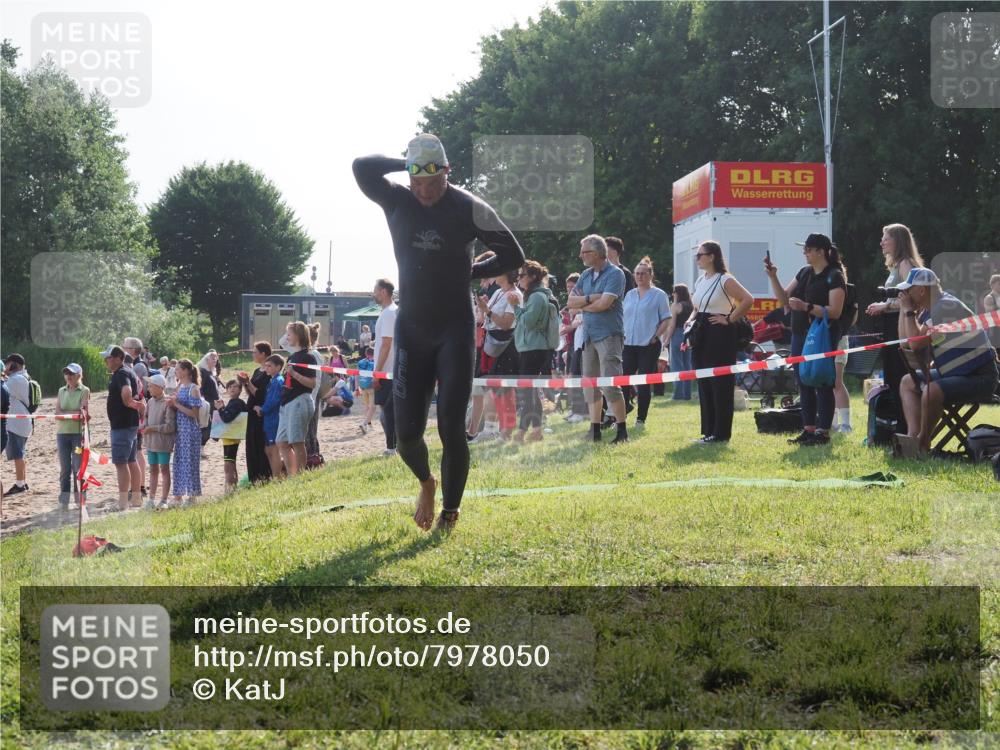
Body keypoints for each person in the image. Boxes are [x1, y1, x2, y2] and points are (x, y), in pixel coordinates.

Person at [354, 132, 524, 532]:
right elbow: (362, 167)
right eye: (417, 182)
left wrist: (471, 271)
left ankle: (450, 511)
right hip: (413, 330)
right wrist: (409, 162)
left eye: (432, 182)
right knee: (407, 435)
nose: (424, 191)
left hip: (454, 330)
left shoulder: (468, 207)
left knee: (451, 426)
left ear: (448, 172)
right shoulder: (397, 200)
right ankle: (427, 482)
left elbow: (513, 254)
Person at [895, 268, 999, 454]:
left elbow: (915, 344)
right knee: (907, 382)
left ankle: (922, 444)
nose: (906, 294)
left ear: (922, 290)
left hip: (980, 377)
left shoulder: (944, 307)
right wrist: (905, 311)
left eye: (909, 290)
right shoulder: (930, 310)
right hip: (957, 373)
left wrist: (908, 311)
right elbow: (906, 342)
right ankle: (912, 438)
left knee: (931, 391)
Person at [766, 233, 847, 446]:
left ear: (821, 251)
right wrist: (773, 276)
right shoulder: (804, 272)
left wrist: (806, 307)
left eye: (808, 249)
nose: (805, 253)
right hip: (800, 333)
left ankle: (823, 432)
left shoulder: (834, 276)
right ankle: (808, 429)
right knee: (803, 381)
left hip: (823, 335)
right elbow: (784, 299)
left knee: (821, 379)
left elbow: (835, 311)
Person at [689, 241, 754, 444]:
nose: (697, 258)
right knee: (704, 382)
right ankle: (708, 431)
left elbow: (747, 299)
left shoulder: (725, 279)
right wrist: (690, 321)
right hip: (701, 334)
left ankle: (721, 433)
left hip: (719, 335)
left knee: (720, 385)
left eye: (700, 255)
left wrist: (729, 319)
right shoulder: (701, 280)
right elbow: (696, 307)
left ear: (712, 257)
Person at [566, 234, 629, 444]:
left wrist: (584, 305)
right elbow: (571, 302)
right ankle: (595, 430)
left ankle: (622, 431)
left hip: (609, 335)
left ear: (597, 253)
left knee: (610, 385)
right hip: (589, 336)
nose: (581, 256)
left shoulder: (616, 274)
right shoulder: (585, 274)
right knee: (590, 386)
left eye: (585, 252)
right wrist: (591, 298)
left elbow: (605, 304)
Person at [865, 223, 924, 401]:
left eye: (885, 239)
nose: (881, 243)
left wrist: (885, 306)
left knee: (899, 369)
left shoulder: (906, 264)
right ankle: (894, 410)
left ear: (898, 241)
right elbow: (897, 297)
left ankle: (902, 411)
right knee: (891, 370)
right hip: (891, 324)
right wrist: (884, 304)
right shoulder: (895, 266)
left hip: (902, 324)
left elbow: (913, 298)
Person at [511, 260, 558, 442]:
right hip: (531, 348)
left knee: (527, 393)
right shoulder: (533, 295)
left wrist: (515, 307)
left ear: (532, 277)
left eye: (521, 275)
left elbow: (528, 322)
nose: (519, 279)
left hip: (534, 350)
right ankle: (536, 431)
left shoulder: (537, 297)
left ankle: (523, 432)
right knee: (530, 392)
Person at [622, 257, 671, 427]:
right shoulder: (629, 294)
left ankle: (641, 419)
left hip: (648, 345)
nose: (639, 276)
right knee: (623, 381)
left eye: (643, 273)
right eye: (637, 273)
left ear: (650, 275)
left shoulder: (659, 295)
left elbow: (666, 319)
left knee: (643, 383)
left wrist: (656, 336)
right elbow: (623, 317)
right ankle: (621, 416)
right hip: (628, 344)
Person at [475, 269, 521, 441]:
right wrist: (483, 307)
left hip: (506, 345)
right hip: (493, 344)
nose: (494, 275)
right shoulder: (498, 293)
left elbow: (506, 324)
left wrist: (487, 310)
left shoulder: (515, 294)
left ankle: (506, 432)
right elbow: (487, 319)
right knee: (494, 389)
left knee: (505, 390)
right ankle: (494, 430)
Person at [101, 345, 145, 510]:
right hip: (129, 424)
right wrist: (137, 405)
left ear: (118, 358)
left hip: (122, 425)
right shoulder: (128, 371)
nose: (106, 361)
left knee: (121, 463)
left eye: (108, 358)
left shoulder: (121, 374)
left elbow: (126, 392)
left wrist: (132, 403)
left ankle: (123, 502)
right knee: (131, 461)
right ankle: (136, 499)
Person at [275, 321, 316, 477]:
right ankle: (292, 475)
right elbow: (282, 342)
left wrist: (295, 374)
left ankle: (300, 476)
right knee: (282, 441)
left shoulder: (308, 357)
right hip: (287, 402)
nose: (287, 337)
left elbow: (312, 383)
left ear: (298, 335)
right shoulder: (293, 356)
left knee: (297, 442)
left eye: (289, 334)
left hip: (299, 401)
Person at [166, 359, 202, 507]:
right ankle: (178, 496)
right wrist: (172, 404)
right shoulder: (180, 386)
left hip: (190, 430)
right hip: (180, 429)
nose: (176, 371)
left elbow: (194, 414)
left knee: (191, 462)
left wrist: (176, 404)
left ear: (186, 371)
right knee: (179, 462)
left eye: (178, 369)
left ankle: (192, 496)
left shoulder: (193, 389)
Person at [55, 363, 90, 510]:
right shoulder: (61, 390)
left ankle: (80, 500)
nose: (68, 376)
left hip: (78, 434)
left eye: (71, 373)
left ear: (79, 376)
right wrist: (71, 414)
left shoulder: (84, 390)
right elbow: (57, 413)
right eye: (66, 373)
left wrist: (66, 414)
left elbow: (82, 412)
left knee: (78, 468)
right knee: (65, 469)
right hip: (62, 434)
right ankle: (64, 501)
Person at [371, 278, 398, 455]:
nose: (373, 294)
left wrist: (377, 372)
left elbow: (386, 344)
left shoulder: (389, 313)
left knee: (388, 413)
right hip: (389, 370)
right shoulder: (391, 312)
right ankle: (395, 446)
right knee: (387, 413)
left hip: (387, 371)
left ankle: (392, 448)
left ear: (383, 291)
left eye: (375, 290)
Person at [240, 341, 273, 484]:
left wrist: (249, 383)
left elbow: (260, 394)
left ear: (263, 354)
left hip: (261, 412)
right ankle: (254, 478)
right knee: (251, 444)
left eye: (255, 352)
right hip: (251, 411)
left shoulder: (268, 372)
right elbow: (251, 392)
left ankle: (264, 476)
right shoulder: (257, 371)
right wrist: (245, 383)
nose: (253, 354)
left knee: (260, 444)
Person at [142, 373, 176, 509]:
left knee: (164, 469)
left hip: (163, 443)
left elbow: (170, 427)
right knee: (153, 470)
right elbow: (146, 417)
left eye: (151, 386)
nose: (148, 388)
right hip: (151, 443)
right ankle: (151, 500)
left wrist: (152, 428)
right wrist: (144, 426)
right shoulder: (150, 401)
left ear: (160, 387)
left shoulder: (167, 402)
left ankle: (164, 500)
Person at [2, 354, 33, 498]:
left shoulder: (16, 380)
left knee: (18, 454)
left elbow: (2, 387)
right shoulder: (22, 378)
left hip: (17, 423)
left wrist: (4, 373)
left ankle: (20, 484)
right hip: (21, 421)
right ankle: (22, 482)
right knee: (19, 453)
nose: (6, 367)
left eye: (8, 364)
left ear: (14, 365)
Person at [216, 379, 248, 492]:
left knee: (228, 464)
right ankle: (233, 487)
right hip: (231, 437)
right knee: (231, 462)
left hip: (231, 437)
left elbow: (227, 418)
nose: (232, 389)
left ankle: (230, 489)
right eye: (229, 387)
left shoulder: (236, 403)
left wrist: (220, 409)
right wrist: (224, 408)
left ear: (240, 390)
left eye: (235, 387)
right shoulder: (235, 402)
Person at [258, 354, 286, 479]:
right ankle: (276, 476)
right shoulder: (273, 380)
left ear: (278, 367)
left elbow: (273, 400)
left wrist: (261, 410)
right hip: (269, 419)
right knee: (268, 450)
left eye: (269, 366)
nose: (266, 368)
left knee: (274, 450)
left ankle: (277, 477)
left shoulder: (278, 381)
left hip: (274, 419)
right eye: (266, 366)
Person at [663, 284, 694, 400]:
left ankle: (678, 394)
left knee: (676, 365)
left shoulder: (675, 306)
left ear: (678, 293)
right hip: (688, 336)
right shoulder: (691, 306)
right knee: (687, 365)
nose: (672, 294)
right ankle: (687, 394)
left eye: (674, 292)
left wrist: (666, 340)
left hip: (677, 334)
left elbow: (672, 325)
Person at [197, 351, 221, 447]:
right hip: (207, 403)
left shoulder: (211, 372)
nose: (215, 360)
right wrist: (202, 401)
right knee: (207, 425)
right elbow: (200, 388)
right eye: (212, 358)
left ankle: (203, 444)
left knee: (215, 425)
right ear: (206, 360)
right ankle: (200, 445)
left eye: (216, 358)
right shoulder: (202, 372)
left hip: (215, 403)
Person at [356, 346, 376, 434]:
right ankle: (364, 424)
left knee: (367, 407)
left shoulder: (360, 362)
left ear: (365, 353)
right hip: (371, 386)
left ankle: (369, 425)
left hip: (363, 385)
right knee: (372, 407)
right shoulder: (375, 362)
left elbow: (356, 375)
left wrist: (357, 387)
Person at [984, 274, 1000, 349]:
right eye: (999, 284)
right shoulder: (989, 298)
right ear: (992, 285)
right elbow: (990, 316)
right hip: (994, 333)